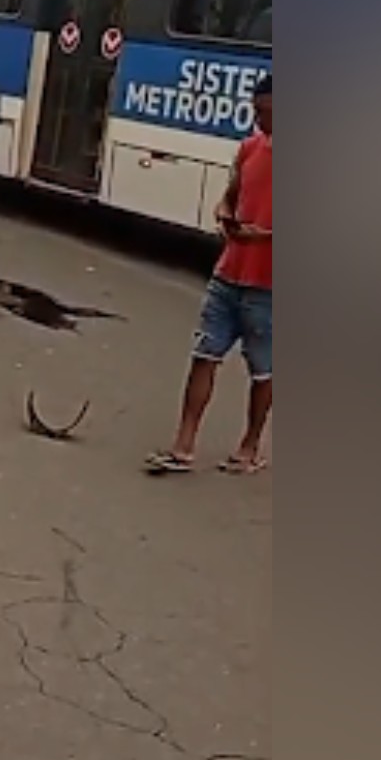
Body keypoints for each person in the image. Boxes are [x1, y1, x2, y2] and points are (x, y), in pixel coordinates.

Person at [145, 75, 273, 475]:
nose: (257, 118)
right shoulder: (250, 148)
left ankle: (250, 445)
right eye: (255, 109)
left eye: (264, 111)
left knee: (264, 370)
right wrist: (224, 213)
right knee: (204, 355)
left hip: (268, 286)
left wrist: (264, 235)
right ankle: (183, 445)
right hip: (228, 274)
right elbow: (232, 195)